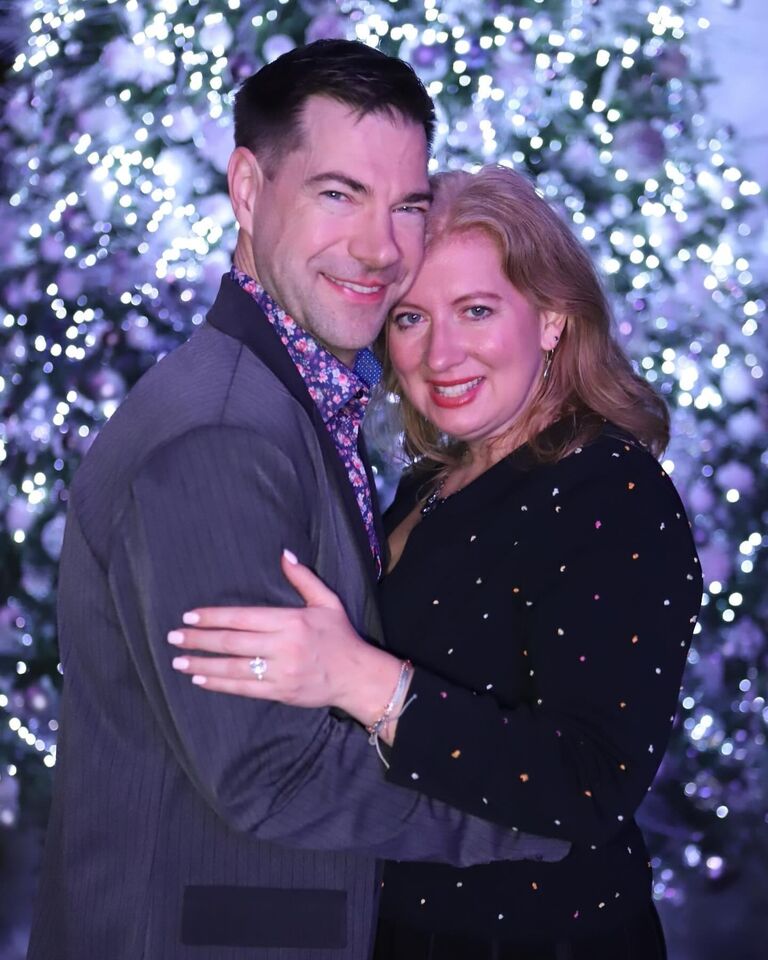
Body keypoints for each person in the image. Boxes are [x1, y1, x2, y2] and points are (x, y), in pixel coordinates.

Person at [27, 46, 567, 960]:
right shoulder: (222, 439)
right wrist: (534, 813)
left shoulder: (288, 395)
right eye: (337, 194)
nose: (379, 248)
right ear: (247, 188)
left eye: (404, 206)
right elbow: (267, 772)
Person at [169, 166, 704, 959]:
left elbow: (592, 783)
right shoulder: (438, 477)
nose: (440, 353)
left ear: (552, 317)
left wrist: (357, 677)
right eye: (411, 317)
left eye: (477, 310)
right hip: (397, 922)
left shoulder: (611, 490)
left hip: (538, 939)